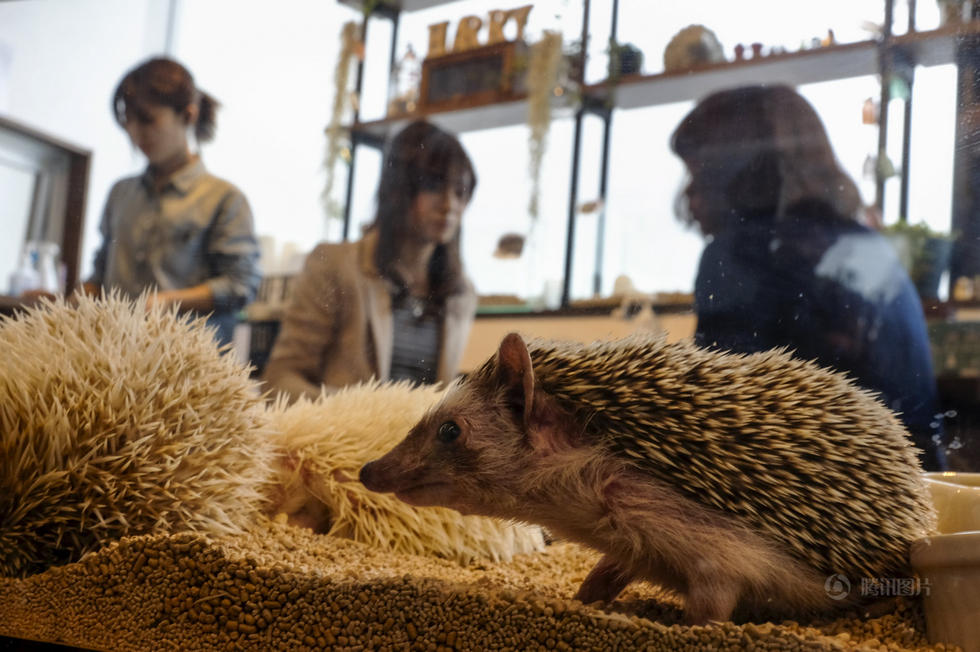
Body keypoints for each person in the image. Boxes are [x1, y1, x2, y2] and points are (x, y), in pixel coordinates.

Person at [670, 84, 947, 470]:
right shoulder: (868, 246)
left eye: (699, 172)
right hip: (919, 480)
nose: (690, 194)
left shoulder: (738, 253)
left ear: (734, 172)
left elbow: (717, 419)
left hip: (829, 484)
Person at [262, 120, 478, 402]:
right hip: (342, 430)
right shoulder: (335, 265)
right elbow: (279, 380)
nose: (449, 205)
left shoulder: (460, 293)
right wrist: (359, 416)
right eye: (434, 186)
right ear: (399, 189)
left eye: (460, 191)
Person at [84, 57, 260, 346]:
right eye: (128, 121)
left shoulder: (225, 199)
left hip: (183, 361)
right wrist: (70, 301)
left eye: (147, 119)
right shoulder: (120, 193)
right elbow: (100, 273)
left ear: (188, 115)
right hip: (110, 353)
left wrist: (168, 301)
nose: (136, 132)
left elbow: (240, 285)